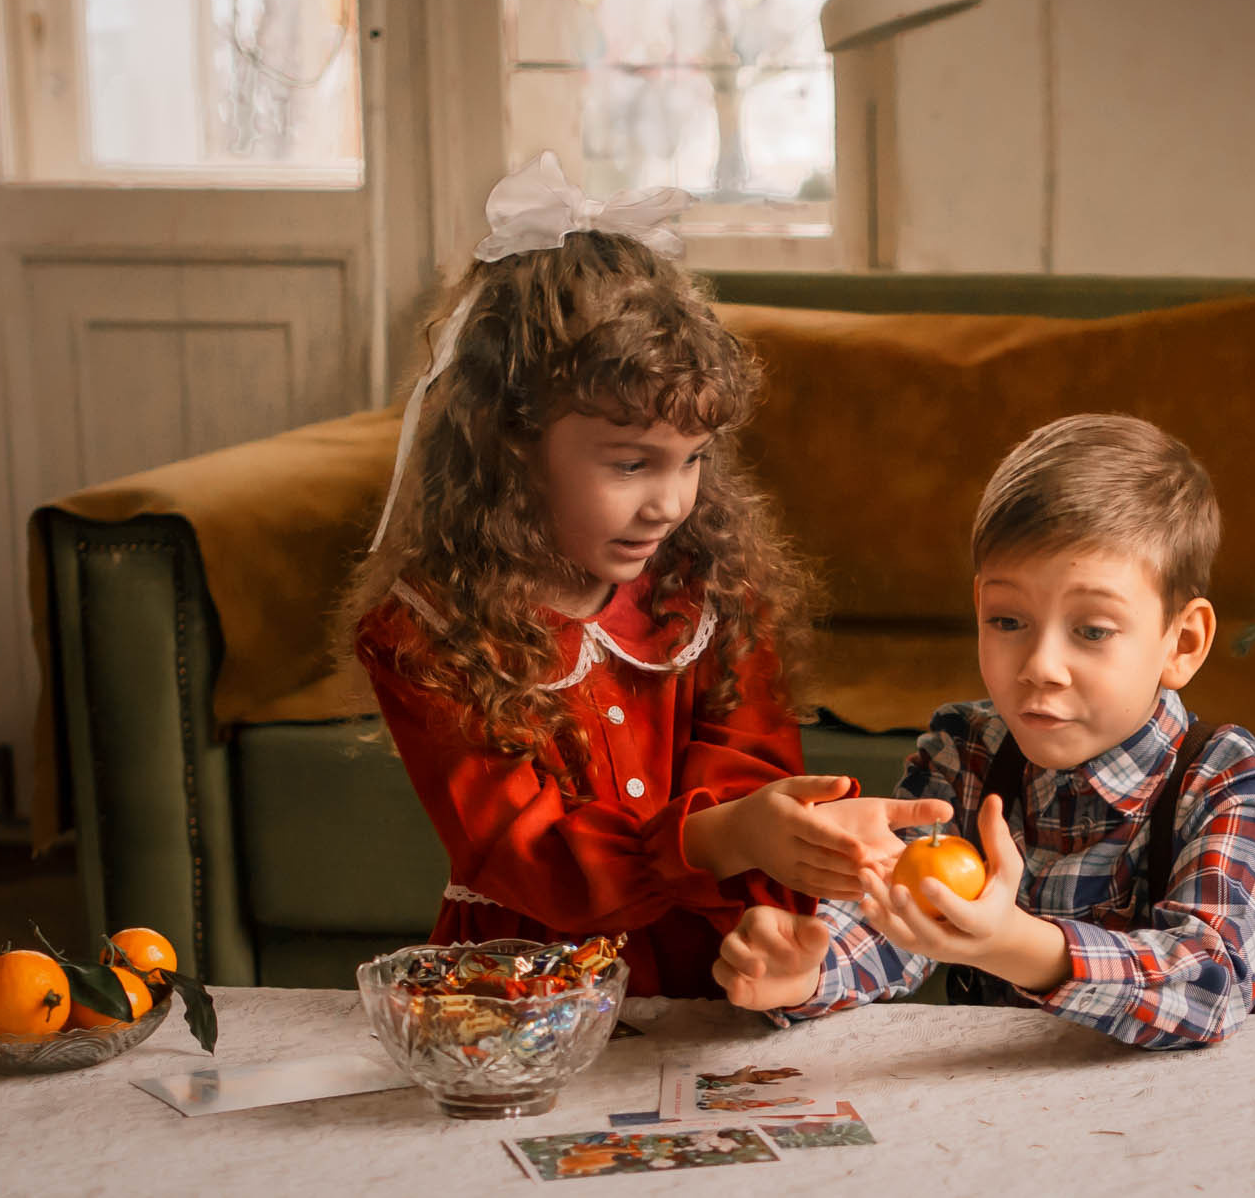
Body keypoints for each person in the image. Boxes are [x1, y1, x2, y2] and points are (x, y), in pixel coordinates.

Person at [347, 153, 946, 997]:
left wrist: (783, 864)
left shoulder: (710, 589)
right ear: (511, 441)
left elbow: (750, 774)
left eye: (692, 459)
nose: (670, 501)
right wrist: (723, 837)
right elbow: (525, 851)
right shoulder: (427, 631)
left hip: (709, 977)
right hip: (528, 996)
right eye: (631, 464)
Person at [713, 414, 1255, 1046]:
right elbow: (889, 917)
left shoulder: (1236, 780)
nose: (1041, 668)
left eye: (1092, 630)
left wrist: (1015, 945)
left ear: (1182, 643)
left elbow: (1213, 984)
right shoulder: (966, 750)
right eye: (1007, 621)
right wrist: (807, 967)